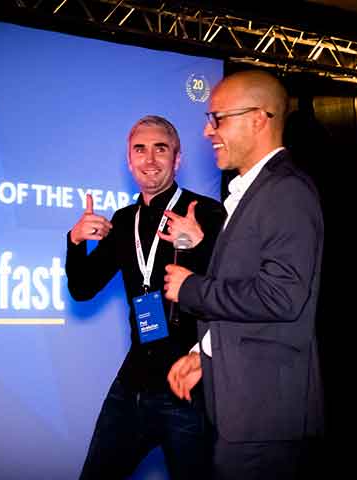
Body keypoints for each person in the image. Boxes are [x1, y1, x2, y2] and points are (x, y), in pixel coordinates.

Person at [164, 70, 325, 479]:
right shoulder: (256, 192)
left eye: (217, 118)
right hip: (246, 408)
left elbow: (280, 297)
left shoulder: (286, 191)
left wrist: (190, 289)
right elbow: (249, 294)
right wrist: (204, 355)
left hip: (264, 414)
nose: (207, 131)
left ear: (257, 119)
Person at [66, 115, 226, 479]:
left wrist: (200, 245)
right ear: (129, 160)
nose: (150, 159)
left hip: (188, 385)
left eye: (160, 149)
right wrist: (75, 242)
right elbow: (82, 287)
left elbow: (232, 289)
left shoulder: (206, 213)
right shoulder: (125, 221)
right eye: (140, 150)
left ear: (177, 159)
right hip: (133, 382)